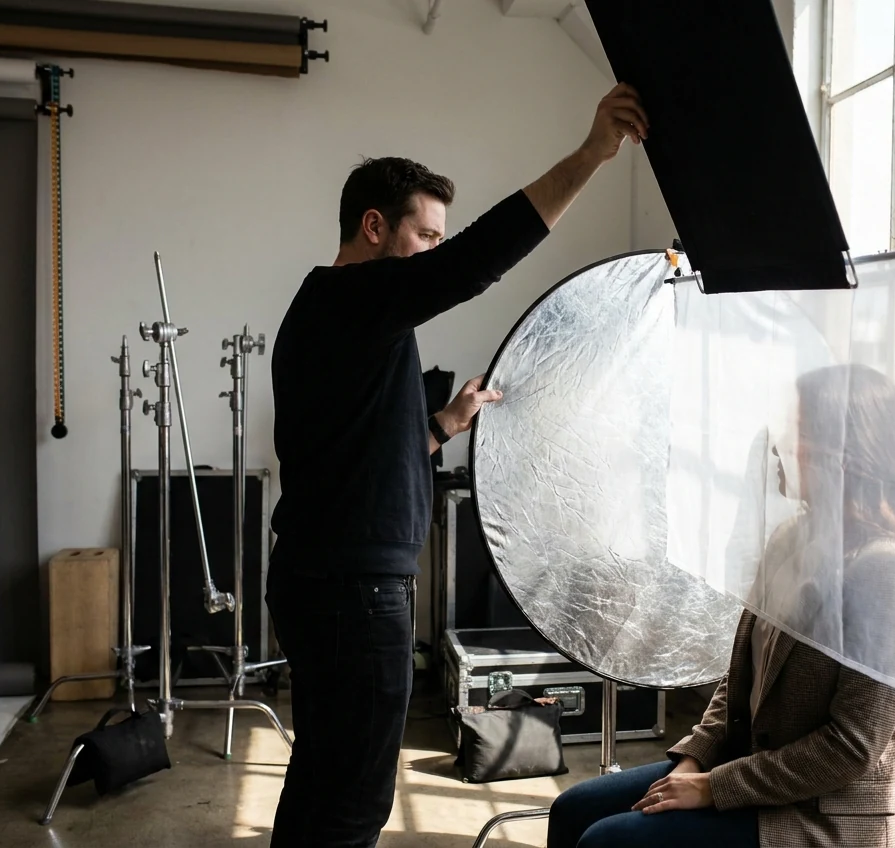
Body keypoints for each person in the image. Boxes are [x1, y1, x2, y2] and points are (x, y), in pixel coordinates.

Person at [265, 83, 650, 848]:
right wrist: (590, 157)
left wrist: (444, 424)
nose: (436, 253)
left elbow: (357, 451)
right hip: (353, 598)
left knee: (322, 783)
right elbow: (476, 262)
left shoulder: (341, 317)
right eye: (426, 236)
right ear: (374, 228)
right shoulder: (353, 300)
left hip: (328, 585)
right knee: (350, 807)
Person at [547, 364, 895, 848]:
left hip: (827, 814)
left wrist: (714, 786)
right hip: (758, 769)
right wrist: (695, 758)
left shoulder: (886, 572)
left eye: (795, 432)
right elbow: (742, 680)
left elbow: (853, 747)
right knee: (572, 810)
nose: (776, 447)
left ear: (843, 454)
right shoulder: (791, 537)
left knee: (608, 842)